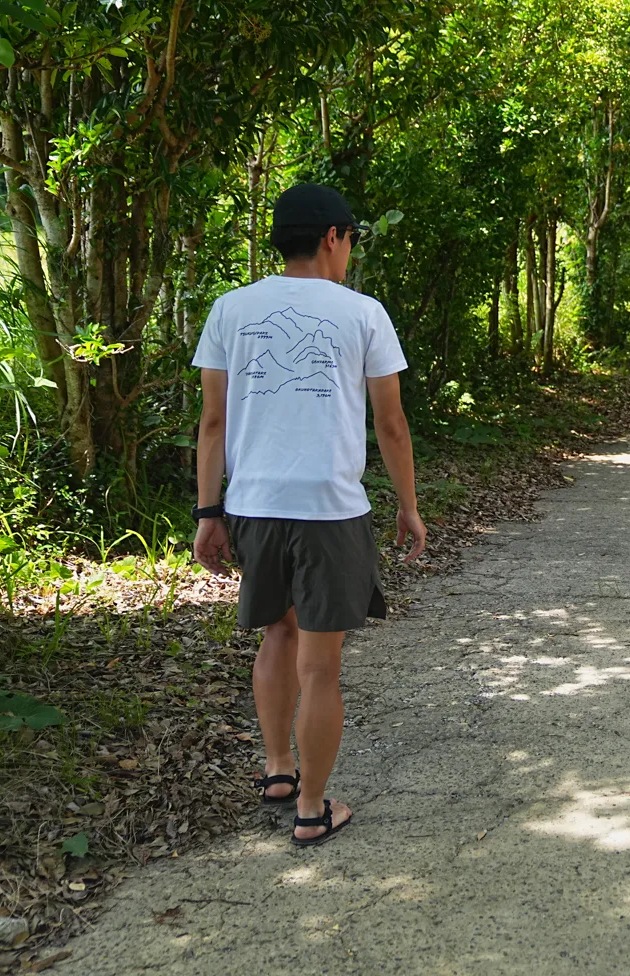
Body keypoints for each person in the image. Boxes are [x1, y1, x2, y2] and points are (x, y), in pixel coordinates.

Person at [190, 183, 426, 847]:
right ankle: (313, 809)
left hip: (255, 505)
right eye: (350, 239)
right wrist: (407, 506)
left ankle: (278, 769)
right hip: (330, 509)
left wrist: (210, 511)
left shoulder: (231, 309)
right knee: (321, 666)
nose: (349, 251)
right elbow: (391, 423)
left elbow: (213, 421)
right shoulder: (363, 314)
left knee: (277, 637)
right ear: (332, 237)